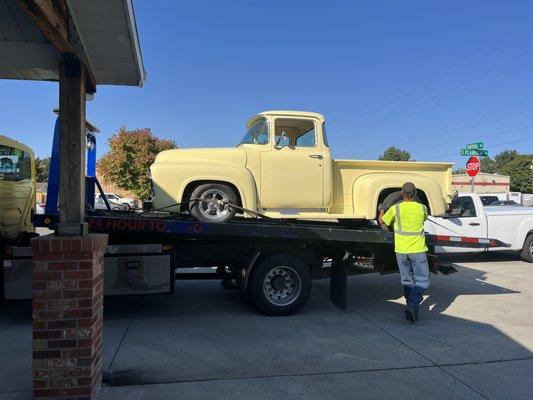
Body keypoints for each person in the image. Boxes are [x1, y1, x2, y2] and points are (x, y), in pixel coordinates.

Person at [378, 182, 429, 323]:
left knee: (407, 280)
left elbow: (382, 221)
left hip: (401, 250)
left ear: (401, 193)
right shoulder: (422, 208)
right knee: (422, 281)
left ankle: (412, 307)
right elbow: (425, 218)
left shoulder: (396, 208)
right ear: (416, 194)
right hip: (418, 250)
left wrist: (382, 209)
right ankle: (412, 306)